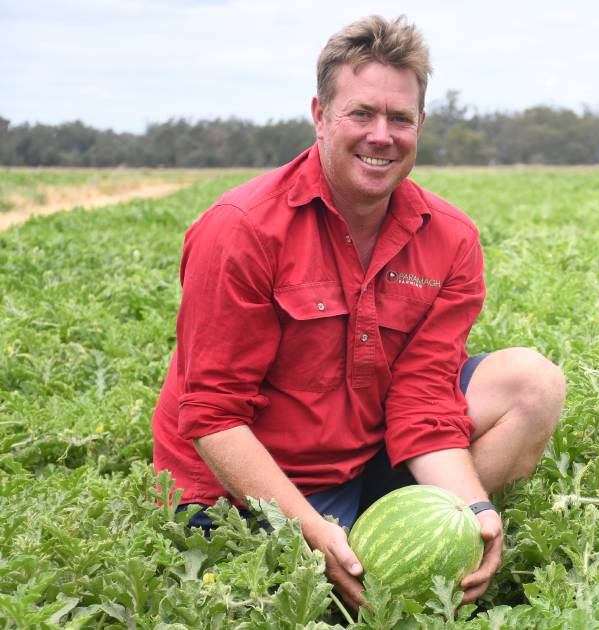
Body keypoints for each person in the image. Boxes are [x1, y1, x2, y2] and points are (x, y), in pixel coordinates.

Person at [150, 15, 565, 608]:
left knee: (533, 382)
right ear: (320, 116)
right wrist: (306, 532)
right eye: (361, 113)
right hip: (236, 487)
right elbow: (214, 415)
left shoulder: (448, 238)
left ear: (420, 124)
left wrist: (473, 512)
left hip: (358, 455)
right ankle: (352, 545)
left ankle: (404, 537)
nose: (382, 135)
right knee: (282, 603)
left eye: (400, 118)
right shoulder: (241, 230)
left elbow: (423, 398)